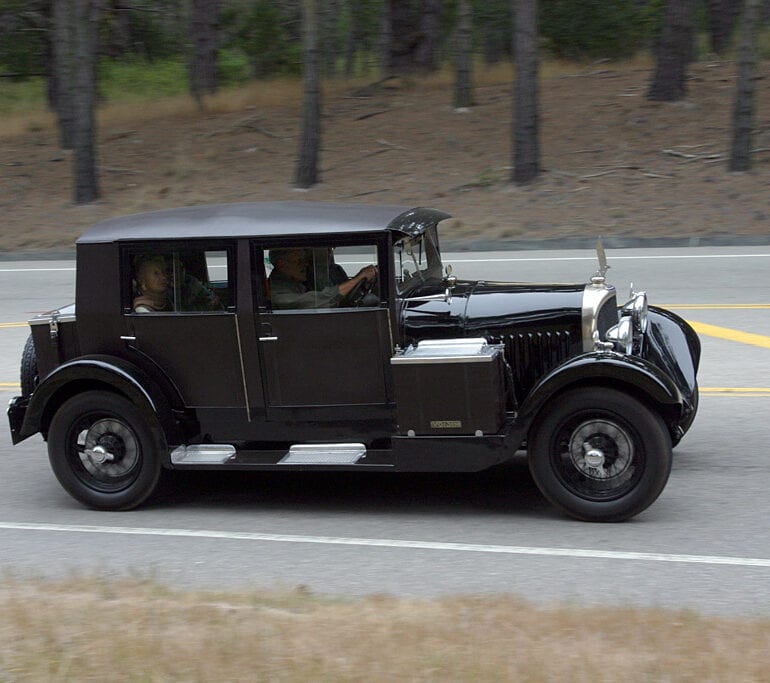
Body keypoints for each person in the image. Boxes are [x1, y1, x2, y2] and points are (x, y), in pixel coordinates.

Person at [269, 247, 377, 310]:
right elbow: (320, 300)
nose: (306, 265)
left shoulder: (298, 281)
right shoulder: (278, 292)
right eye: (299, 261)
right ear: (281, 265)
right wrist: (358, 278)